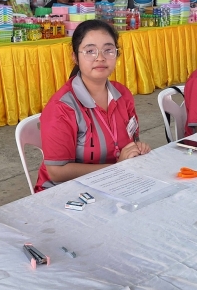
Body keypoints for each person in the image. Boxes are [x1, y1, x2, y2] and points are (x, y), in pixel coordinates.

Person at [35, 20, 151, 191]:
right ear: (75, 57)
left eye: (108, 50)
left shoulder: (123, 94)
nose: (100, 58)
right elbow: (56, 172)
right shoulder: (62, 107)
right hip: (65, 192)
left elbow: (131, 140)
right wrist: (116, 167)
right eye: (90, 51)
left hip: (114, 183)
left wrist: (137, 149)